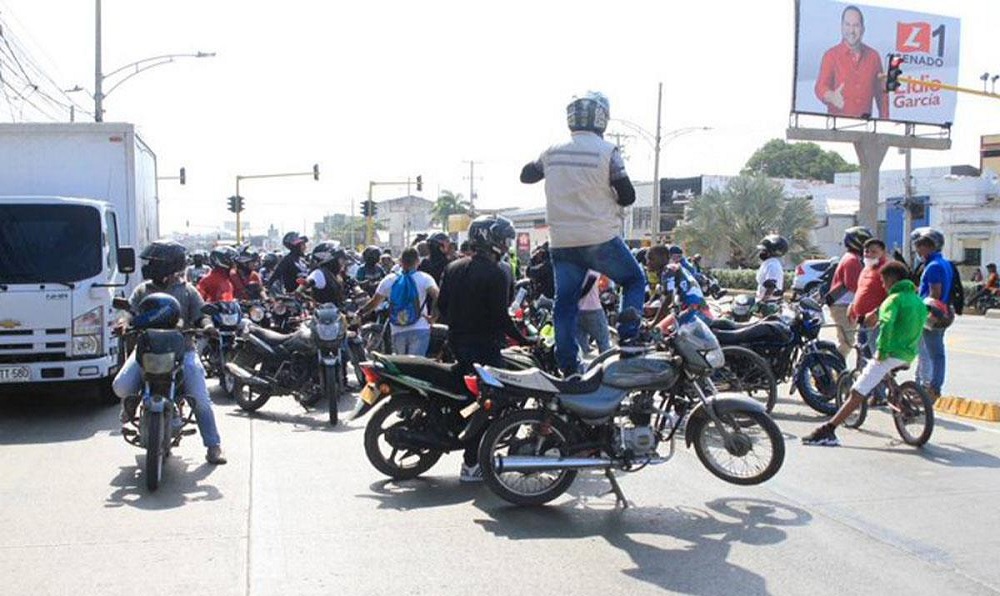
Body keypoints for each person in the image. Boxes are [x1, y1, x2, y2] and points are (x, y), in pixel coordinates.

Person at [519, 91, 645, 374]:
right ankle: (628, 336)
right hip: (599, 238)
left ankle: (568, 365)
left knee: (564, 304)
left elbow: (526, 175)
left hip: (562, 243)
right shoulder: (608, 152)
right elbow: (627, 196)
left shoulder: (551, 151)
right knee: (633, 279)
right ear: (602, 118)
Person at [112, 240, 226, 464]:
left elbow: (201, 314)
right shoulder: (143, 290)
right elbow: (129, 312)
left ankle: (214, 445)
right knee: (121, 386)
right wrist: (124, 323)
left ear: (171, 265)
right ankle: (132, 403)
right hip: (146, 351)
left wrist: (208, 326)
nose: (149, 265)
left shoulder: (188, 291)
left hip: (183, 351)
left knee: (201, 398)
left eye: (155, 262)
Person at [437, 215, 529, 482]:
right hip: (484, 348)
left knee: (468, 400)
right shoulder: (496, 273)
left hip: (456, 343)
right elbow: (502, 318)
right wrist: (523, 340)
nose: (506, 243)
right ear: (491, 239)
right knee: (488, 405)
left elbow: (442, 306)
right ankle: (471, 463)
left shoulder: (453, 267)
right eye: (503, 238)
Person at [802, 261, 926, 446]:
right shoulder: (917, 300)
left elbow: (887, 324)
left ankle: (828, 430)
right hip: (907, 354)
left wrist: (881, 352)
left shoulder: (893, 300)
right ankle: (901, 403)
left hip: (889, 353)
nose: (883, 286)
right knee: (885, 377)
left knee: (856, 392)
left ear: (891, 280)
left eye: (883, 282)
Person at [358, 248, 439, 356]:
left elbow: (374, 303)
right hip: (420, 327)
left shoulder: (389, 279)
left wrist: (360, 312)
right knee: (417, 365)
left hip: (397, 329)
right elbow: (437, 296)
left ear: (400, 261)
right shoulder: (425, 278)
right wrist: (434, 317)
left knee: (400, 364)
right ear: (418, 261)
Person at [814, 5, 889, 119]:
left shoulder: (874, 56)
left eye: (856, 25)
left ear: (863, 29)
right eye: (847, 24)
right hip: (837, 129)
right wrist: (831, 96)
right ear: (841, 27)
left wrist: (885, 122)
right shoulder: (831, 55)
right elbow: (820, 87)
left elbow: (881, 95)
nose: (851, 31)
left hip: (866, 128)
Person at [912, 227, 952, 399]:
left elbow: (935, 293)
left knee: (931, 354)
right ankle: (923, 387)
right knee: (930, 353)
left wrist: (929, 317)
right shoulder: (944, 263)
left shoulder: (933, 266)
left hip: (932, 314)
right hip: (943, 311)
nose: (918, 250)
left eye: (920, 246)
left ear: (929, 246)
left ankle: (931, 389)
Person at [826, 226, 872, 357]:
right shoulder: (851, 260)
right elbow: (854, 285)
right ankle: (833, 369)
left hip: (845, 305)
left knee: (850, 342)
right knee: (847, 342)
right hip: (843, 305)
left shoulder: (852, 258)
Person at [647, 245, 709, 328]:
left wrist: (654, 323)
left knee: (658, 332)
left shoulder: (668, 270)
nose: (648, 262)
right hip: (700, 308)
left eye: (651, 259)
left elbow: (668, 299)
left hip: (692, 311)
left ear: (663, 258)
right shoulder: (675, 267)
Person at [848, 238, 889, 365]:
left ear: (883, 252)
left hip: (876, 322)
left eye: (874, 252)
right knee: (862, 356)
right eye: (866, 251)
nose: (869, 254)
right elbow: (861, 290)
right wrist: (852, 305)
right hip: (862, 321)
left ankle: (879, 385)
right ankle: (866, 384)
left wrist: (877, 313)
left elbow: (892, 297)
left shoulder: (886, 270)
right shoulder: (866, 268)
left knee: (876, 360)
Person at [576, 269, 612, 356]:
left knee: (580, 349)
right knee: (604, 344)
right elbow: (605, 283)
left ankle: (582, 368)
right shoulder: (593, 268)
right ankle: (606, 367)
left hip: (576, 311)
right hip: (593, 310)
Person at [302, 243, 349, 307]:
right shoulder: (320, 273)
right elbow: (306, 283)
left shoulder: (336, 275)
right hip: (324, 315)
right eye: (341, 259)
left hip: (339, 313)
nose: (344, 262)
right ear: (331, 260)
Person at [755, 234, 787, 312]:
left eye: (764, 250)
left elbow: (771, 286)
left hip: (769, 306)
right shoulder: (769, 263)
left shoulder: (773, 265)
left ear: (772, 252)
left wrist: (762, 302)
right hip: (766, 303)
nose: (761, 252)